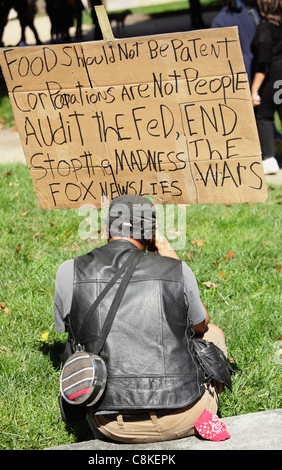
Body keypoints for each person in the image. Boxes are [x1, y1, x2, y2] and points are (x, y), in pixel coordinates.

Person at [54, 195, 228, 443]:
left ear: (106, 229)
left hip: (111, 425)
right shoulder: (176, 269)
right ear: (152, 235)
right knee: (214, 333)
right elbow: (200, 325)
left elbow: (66, 330)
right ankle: (203, 419)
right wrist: (171, 257)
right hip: (185, 413)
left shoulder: (69, 271)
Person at [251, 0, 282, 174]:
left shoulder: (265, 29)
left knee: (263, 115)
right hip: (281, 80)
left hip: (272, 79)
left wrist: (254, 90)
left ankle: (269, 158)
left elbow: (263, 64)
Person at [211, 0, 259, 85]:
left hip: (239, 75)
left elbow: (219, 55)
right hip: (259, 70)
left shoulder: (219, 21)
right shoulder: (252, 13)